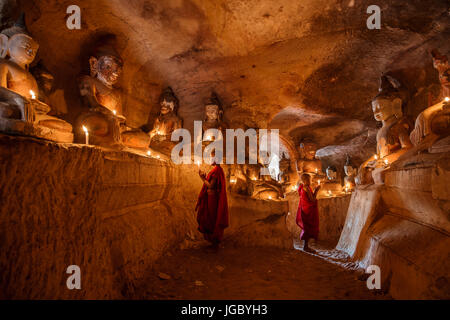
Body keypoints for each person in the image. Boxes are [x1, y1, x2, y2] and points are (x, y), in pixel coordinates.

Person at [195, 155, 229, 248]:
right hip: (211, 198)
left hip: (213, 199)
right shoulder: (216, 170)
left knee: (212, 218)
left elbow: (210, 186)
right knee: (210, 218)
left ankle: (215, 243)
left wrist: (202, 178)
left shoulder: (217, 171)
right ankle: (213, 243)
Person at [296, 173, 320, 253]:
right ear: (305, 180)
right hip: (308, 210)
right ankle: (306, 247)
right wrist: (316, 190)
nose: (311, 181)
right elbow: (312, 199)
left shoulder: (302, 187)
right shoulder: (306, 188)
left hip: (304, 209)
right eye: (309, 179)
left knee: (307, 227)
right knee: (308, 228)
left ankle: (306, 246)